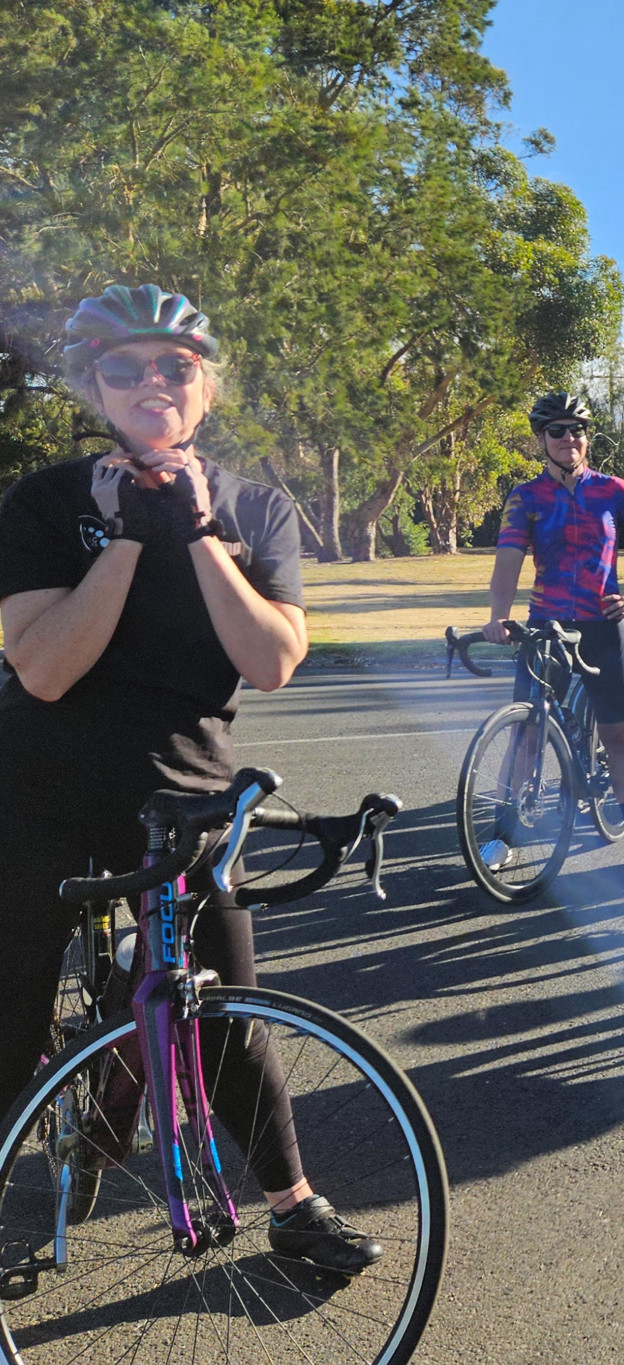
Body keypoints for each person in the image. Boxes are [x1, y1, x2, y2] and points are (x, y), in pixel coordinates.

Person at [0, 284, 377, 1273]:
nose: (151, 384)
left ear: (208, 383)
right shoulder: (46, 500)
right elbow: (43, 669)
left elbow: (272, 660)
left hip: (186, 793)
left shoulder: (255, 507)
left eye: (175, 365)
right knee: (10, 996)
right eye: (123, 367)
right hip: (39, 784)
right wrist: (125, 534)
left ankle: (291, 1203)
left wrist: (200, 531)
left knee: (224, 1002)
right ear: (91, 385)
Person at [481, 393, 624, 875]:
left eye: (577, 430)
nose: (570, 439)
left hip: (604, 626)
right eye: (558, 431)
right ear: (541, 440)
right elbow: (507, 564)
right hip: (547, 627)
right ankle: (504, 835)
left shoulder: (613, 490)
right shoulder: (526, 497)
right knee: (525, 735)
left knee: (620, 737)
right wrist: (498, 616)